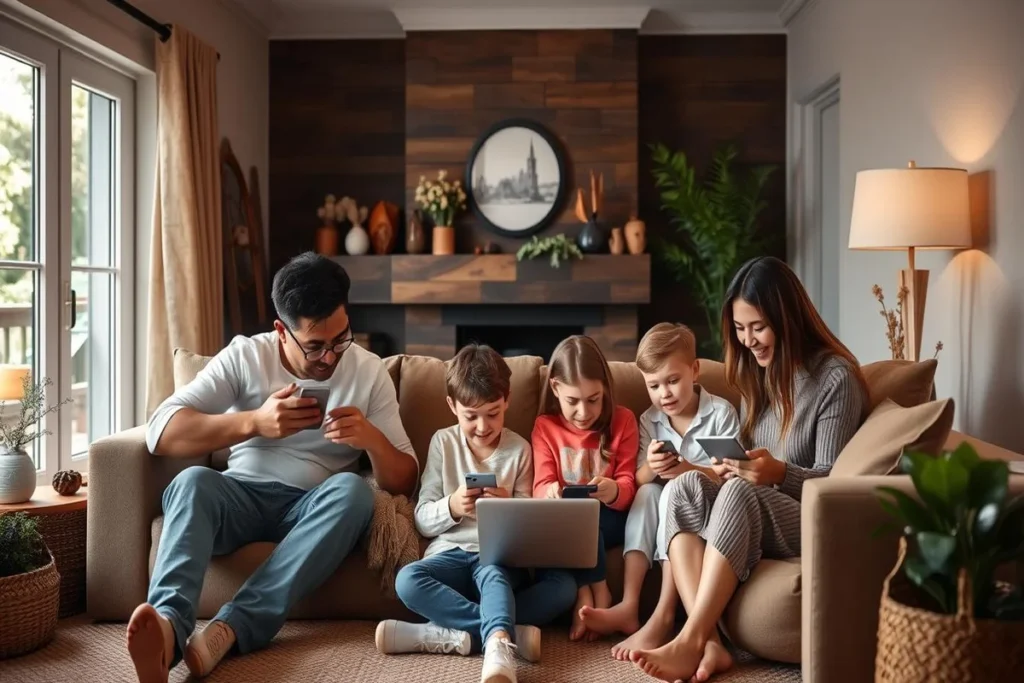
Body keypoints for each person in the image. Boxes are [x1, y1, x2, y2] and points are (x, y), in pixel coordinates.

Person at [126, 252, 419, 683]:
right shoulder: (245, 357)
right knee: (191, 483)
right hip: (239, 497)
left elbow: (405, 480)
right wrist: (254, 422)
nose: (330, 356)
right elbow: (161, 431)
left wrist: (371, 440)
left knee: (355, 493)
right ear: (281, 331)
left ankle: (230, 628)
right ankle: (168, 631)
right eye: (315, 346)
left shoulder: (368, 371)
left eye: (340, 339)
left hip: (313, 509)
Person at [632, 256, 868, 682]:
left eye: (757, 327)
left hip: (811, 516)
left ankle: (690, 637)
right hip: (756, 504)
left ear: (787, 317)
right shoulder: (760, 376)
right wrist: (725, 469)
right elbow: (746, 463)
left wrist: (778, 473)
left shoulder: (836, 379)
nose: (749, 341)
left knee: (741, 492)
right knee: (684, 485)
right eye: (740, 330)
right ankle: (713, 648)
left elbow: (836, 484)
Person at [376, 343, 553, 683]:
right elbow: (422, 517)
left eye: (493, 413)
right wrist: (453, 506)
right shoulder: (443, 443)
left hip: (497, 557)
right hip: (451, 555)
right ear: (451, 406)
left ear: (508, 401)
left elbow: (531, 521)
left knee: (544, 586)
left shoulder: (519, 450)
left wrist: (507, 506)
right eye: (471, 416)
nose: (484, 426)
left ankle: (452, 636)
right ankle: (501, 634)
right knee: (407, 580)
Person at [575, 324, 739, 661]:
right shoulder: (649, 420)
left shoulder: (721, 413)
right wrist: (651, 465)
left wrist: (687, 471)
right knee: (650, 492)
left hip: (707, 510)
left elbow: (733, 479)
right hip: (661, 505)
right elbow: (636, 478)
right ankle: (631, 603)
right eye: (653, 385)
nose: (664, 393)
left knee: (669, 492)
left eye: (672, 381)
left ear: (694, 371)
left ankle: (663, 618)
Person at [532, 335, 640, 642]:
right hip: (567, 522)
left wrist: (614, 490)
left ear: (605, 388)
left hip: (611, 518)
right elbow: (539, 485)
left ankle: (598, 594)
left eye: (593, 399)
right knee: (572, 520)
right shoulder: (545, 427)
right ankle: (586, 591)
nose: (583, 412)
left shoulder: (623, 421)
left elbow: (629, 486)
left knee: (586, 519)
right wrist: (550, 490)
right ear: (555, 388)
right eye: (572, 401)